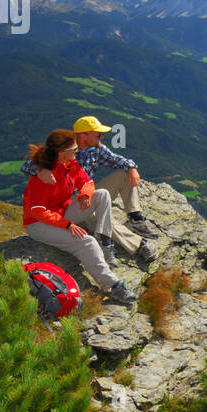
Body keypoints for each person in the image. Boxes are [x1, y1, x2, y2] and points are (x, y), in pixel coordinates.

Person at [22, 129, 138, 306]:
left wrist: (85, 195)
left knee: (102, 194)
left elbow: (87, 182)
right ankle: (113, 286)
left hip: (62, 212)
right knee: (86, 241)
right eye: (74, 149)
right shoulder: (44, 177)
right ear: (62, 152)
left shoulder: (70, 165)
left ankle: (105, 240)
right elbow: (37, 211)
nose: (78, 152)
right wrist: (67, 225)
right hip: (39, 224)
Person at [21, 115, 157, 263]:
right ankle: (138, 244)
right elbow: (27, 165)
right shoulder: (65, 148)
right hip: (70, 202)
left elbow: (117, 160)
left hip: (87, 191)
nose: (102, 137)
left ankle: (135, 218)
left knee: (124, 174)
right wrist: (41, 169)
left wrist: (131, 167)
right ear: (83, 136)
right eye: (98, 134)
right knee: (97, 217)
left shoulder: (96, 149)